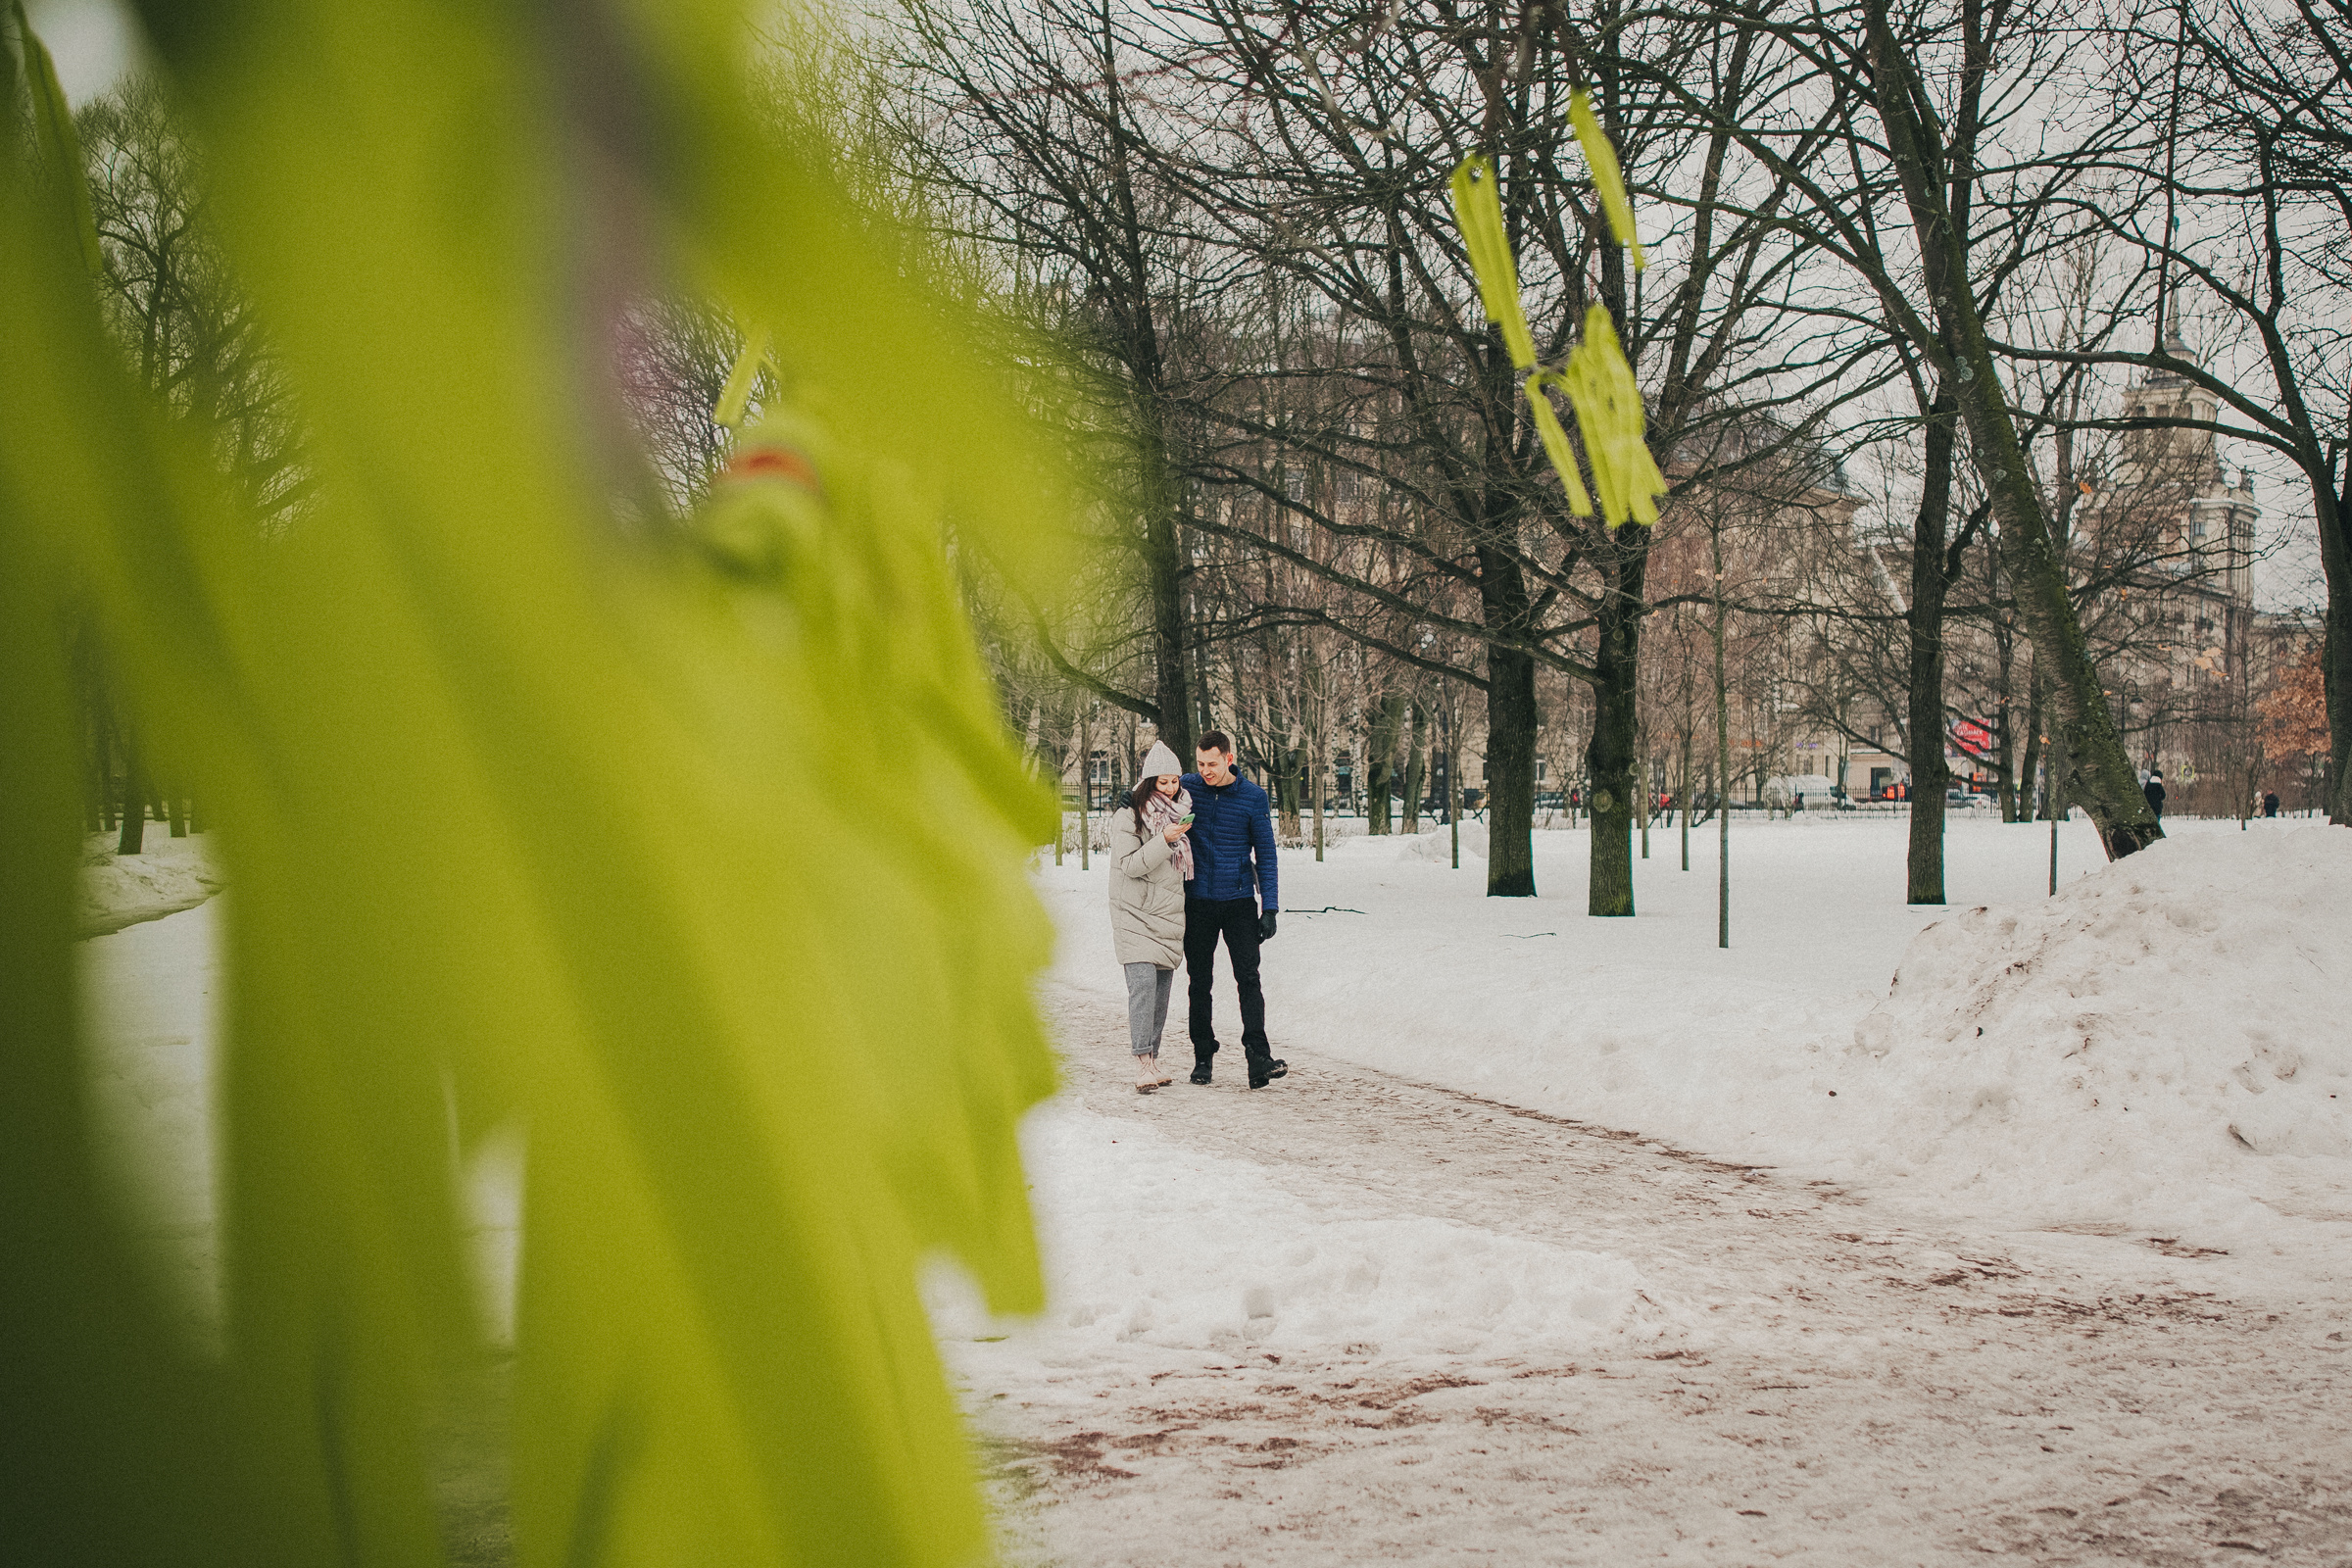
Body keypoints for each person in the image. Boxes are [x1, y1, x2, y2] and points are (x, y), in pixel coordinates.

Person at [1181, 731, 1287, 1089]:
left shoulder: (1253, 797)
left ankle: (1258, 1057)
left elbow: (1266, 854)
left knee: (1249, 979)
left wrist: (1269, 907)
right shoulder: (1188, 787)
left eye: (1212, 763)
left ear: (1228, 758)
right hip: (1197, 902)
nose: (1205, 771)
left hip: (1239, 900)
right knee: (1200, 982)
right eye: (1200, 764)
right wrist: (1129, 798)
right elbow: (1152, 795)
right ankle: (1203, 1054)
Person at [1107, 742, 1191, 1093]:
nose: (1170, 789)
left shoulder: (1184, 810)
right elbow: (1129, 865)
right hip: (1134, 913)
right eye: (1163, 783)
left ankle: (1153, 1059)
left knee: (1160, 993)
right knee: (1141, 987)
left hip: (1167, 915)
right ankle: (1142, 1063)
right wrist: (1165, 840)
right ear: (1148, 783)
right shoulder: (1127, 816)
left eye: (1174, 781)